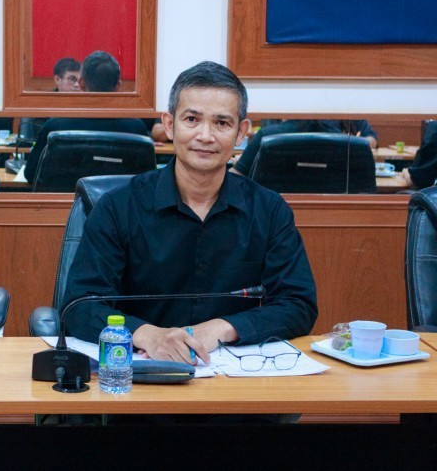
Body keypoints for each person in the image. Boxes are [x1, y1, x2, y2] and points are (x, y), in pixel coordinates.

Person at [64, 61, 318, 365]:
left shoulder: (269, 210)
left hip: (237, 379)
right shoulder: (118, 207)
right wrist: (145, 334)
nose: (205, 136)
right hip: (138, 377)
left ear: (241, 132)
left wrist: (223, 328)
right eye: (192, 119)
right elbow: (80, 305)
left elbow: (298, 303)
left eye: (222, 123)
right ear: (170, 125)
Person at [24, 51, 148, 182]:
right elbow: (148, 180)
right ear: (118, 85)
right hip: (119, 196)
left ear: (81, 83)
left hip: (67, 196)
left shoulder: (55, 126)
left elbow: (31, 174)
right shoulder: (136, 128)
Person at [231, 119, 379, 177]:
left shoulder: (266, 136)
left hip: (270, 216)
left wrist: (244, 163)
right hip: (338, 216)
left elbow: (235, 176)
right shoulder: (346, 142)